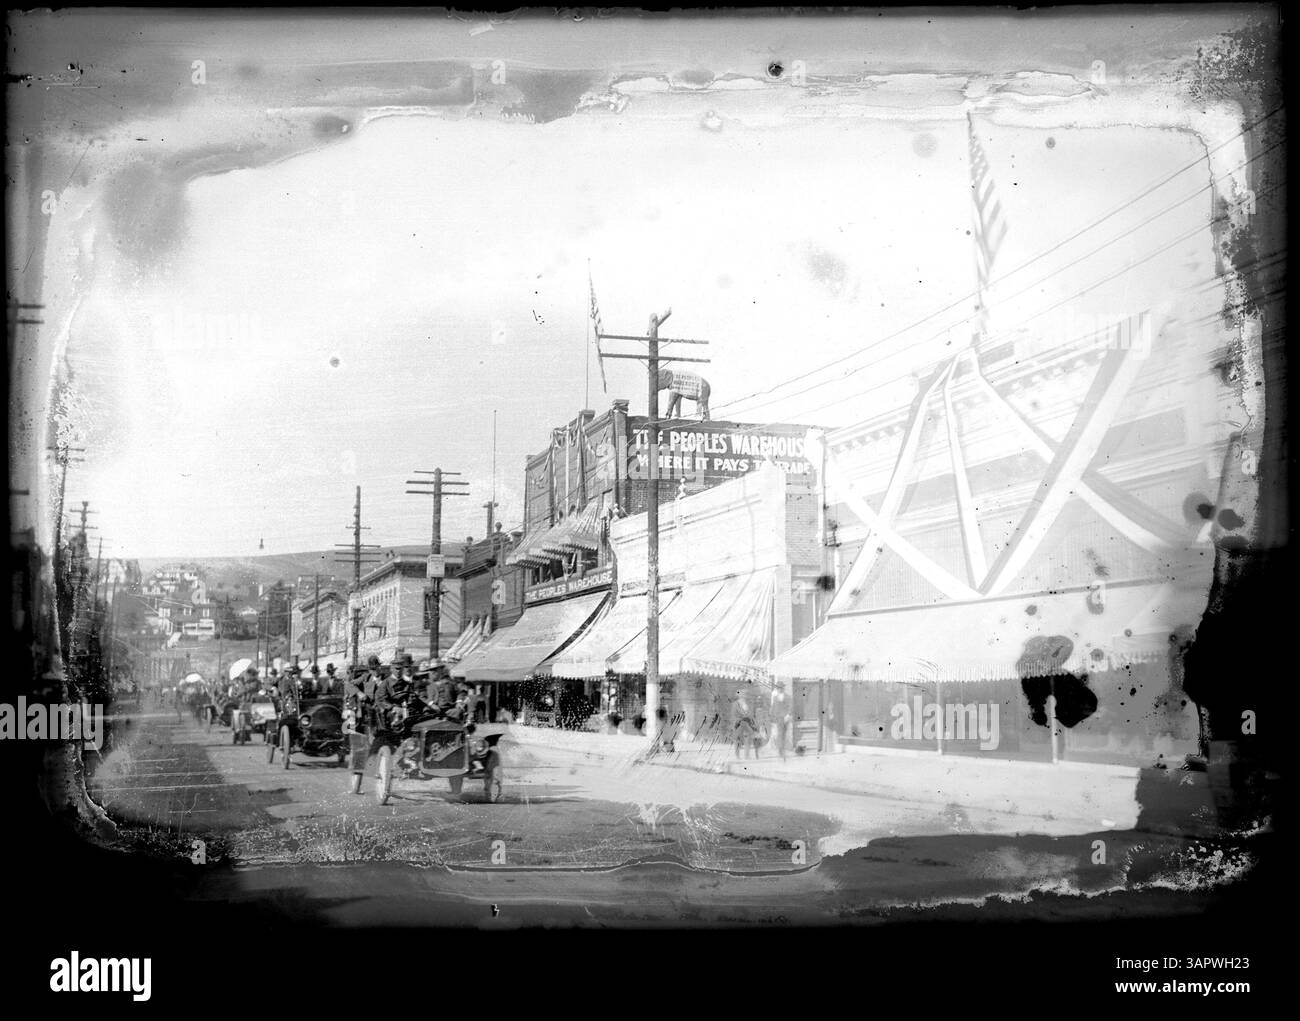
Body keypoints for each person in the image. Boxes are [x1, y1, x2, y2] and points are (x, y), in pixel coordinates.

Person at [769, 681, 791, 761]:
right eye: (778, 688)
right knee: (779, 734)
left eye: (780, 688)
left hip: (785, 718)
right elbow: (773, 708)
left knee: (784, 735)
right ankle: (780, 751)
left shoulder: (788, 697)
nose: (779, 689)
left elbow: (790, 707)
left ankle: (783, 750)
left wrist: (788, 715)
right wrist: (771, 717)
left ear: (783, 688)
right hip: (778, 719)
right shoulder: (775, 698)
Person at [732, 691, 756, 759]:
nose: (743, 697)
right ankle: (737, 755)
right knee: (737, 740)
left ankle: (747, 755)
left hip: (747, 723)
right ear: (739, 696)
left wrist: (750, 720)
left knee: (748, 739)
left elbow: (751, 713)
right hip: (738, 723)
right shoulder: (735, 704)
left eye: (744, 695)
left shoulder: (748, 704)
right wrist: (739, 719)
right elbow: (734, 715)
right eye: (742, 695)